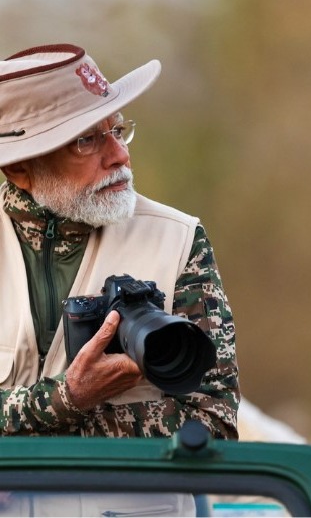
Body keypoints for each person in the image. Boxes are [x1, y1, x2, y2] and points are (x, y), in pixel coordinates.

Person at [0, 44, 238, 439]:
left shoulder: (178, 239)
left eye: (117, 130)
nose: (120, 155)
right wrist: (66, 398)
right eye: (86, 141)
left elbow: (213, 421)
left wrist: (51, 418)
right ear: (19, 168)